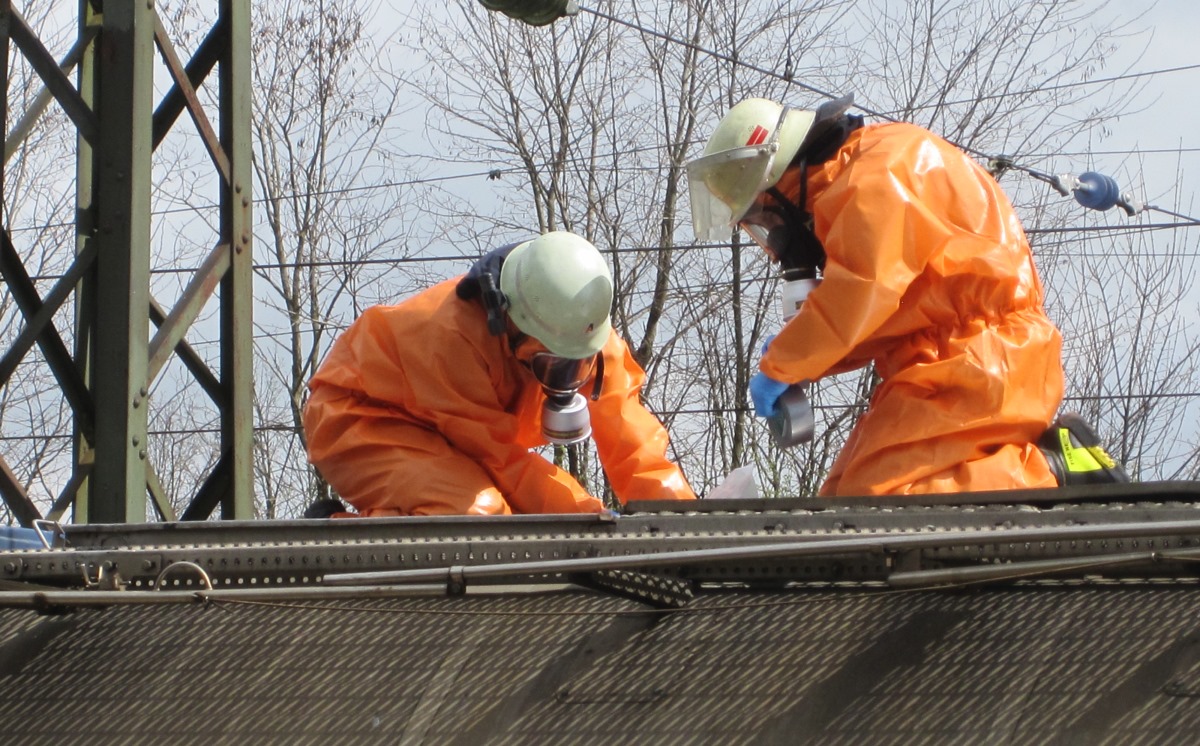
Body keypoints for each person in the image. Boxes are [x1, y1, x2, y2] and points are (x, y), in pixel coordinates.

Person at [687, 94, 1128, 496]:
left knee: (887, 505)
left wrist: (785, 361)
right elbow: (882, 309)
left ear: (781, 176)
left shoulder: (872, 177)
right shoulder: (853, 174)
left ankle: (1058, 472)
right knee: (844, 502)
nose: (773, 232)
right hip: (938, 358)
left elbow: (862, 291)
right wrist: (806, 353)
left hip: (981, 357)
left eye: (765, 213)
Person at [302, 230, 697, 516]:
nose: (567, 376)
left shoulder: (584, 335)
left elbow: (632, 435)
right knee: (476, 516)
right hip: (361, 417)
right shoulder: (452, 338)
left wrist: (683, 523)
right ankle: (331, 532)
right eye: (551, 362)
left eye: (575, 363)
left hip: (449, 432)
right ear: (508, 323)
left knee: (496, 516)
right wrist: (594, 519)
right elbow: (500, 459)